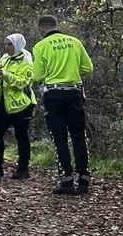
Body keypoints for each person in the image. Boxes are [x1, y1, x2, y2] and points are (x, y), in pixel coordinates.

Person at [31, 15, 94, 195]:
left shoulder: (41, 46)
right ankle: (83, 178)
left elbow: (37, 76)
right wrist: (72, 71)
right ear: (56, 25)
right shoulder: (75, 42)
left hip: (54, 94)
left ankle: (66, 179)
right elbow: (88, 68)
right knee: (79, 135)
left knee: (59, 137)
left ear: (41, 28)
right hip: (74, 92)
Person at [0, 34, 35, 180]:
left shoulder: (26, 61)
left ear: (17, 46)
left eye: (10, 44)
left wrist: (6, 75)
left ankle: (23, 168)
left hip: (21, 105)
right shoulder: (4, 58)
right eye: (5, 44)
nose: (6, 47)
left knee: (21, 136)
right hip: (2, 104)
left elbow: (23, 82)